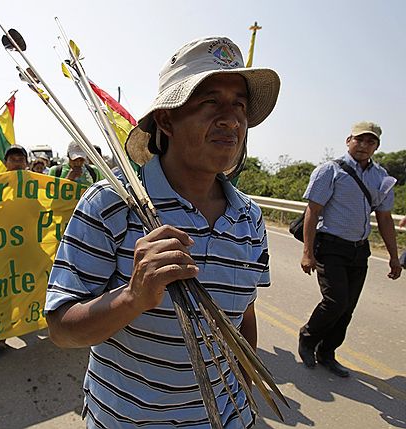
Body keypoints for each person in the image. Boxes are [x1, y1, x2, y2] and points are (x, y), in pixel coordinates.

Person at [45, 36, 280, 428]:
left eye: (238, 104)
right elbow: (61, 329)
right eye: (210, 102)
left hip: (229, 417)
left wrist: (242, 389)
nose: (231, 119)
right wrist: (133, 298)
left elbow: (244, 316)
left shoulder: (250, 218)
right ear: (167, 120)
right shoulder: (110, 204)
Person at [298, 121, 402, 377]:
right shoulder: (330, 170)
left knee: (348, 308)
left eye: (371, 141)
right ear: (349, 141)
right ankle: (308, 338)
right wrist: (307, 252)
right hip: (331, 246)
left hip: (359, 249)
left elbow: (385, 219)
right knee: (336, 301)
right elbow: (313, 211)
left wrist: (393, 256)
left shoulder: (381, 176)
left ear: (377, 146)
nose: (364, 145)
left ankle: (327, 352)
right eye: (360, 140)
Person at [0, 144, 30, 356]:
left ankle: (29, 322)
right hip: (3, 249)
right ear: (5, 163)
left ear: (26, 163)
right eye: (12, 159)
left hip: (30, 247)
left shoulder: (35, 185)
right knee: (2, 294)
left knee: (33, 285)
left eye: (19, 159)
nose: (16, 163)